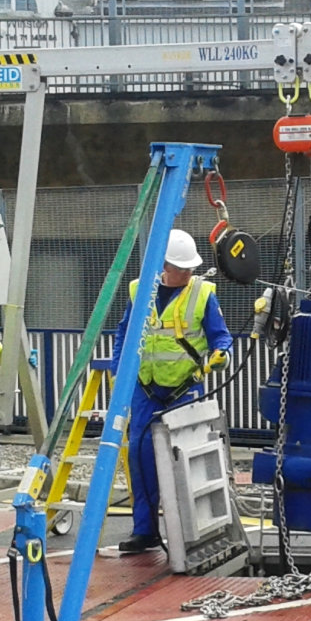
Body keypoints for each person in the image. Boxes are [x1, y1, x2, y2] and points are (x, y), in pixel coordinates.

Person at [111, 229, 233, 553]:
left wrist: (222, 355)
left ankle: (194, 534)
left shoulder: (203, 294)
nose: (188, 272)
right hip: (146, 389)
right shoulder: (140, 291)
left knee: (186, 461)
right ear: (165, 265)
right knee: (140, 455)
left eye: (191, 267)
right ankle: (146, 531)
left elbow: (221, 336)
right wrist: (119, 374)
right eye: (182, 267)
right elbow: (124, 334)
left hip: (184, 389)